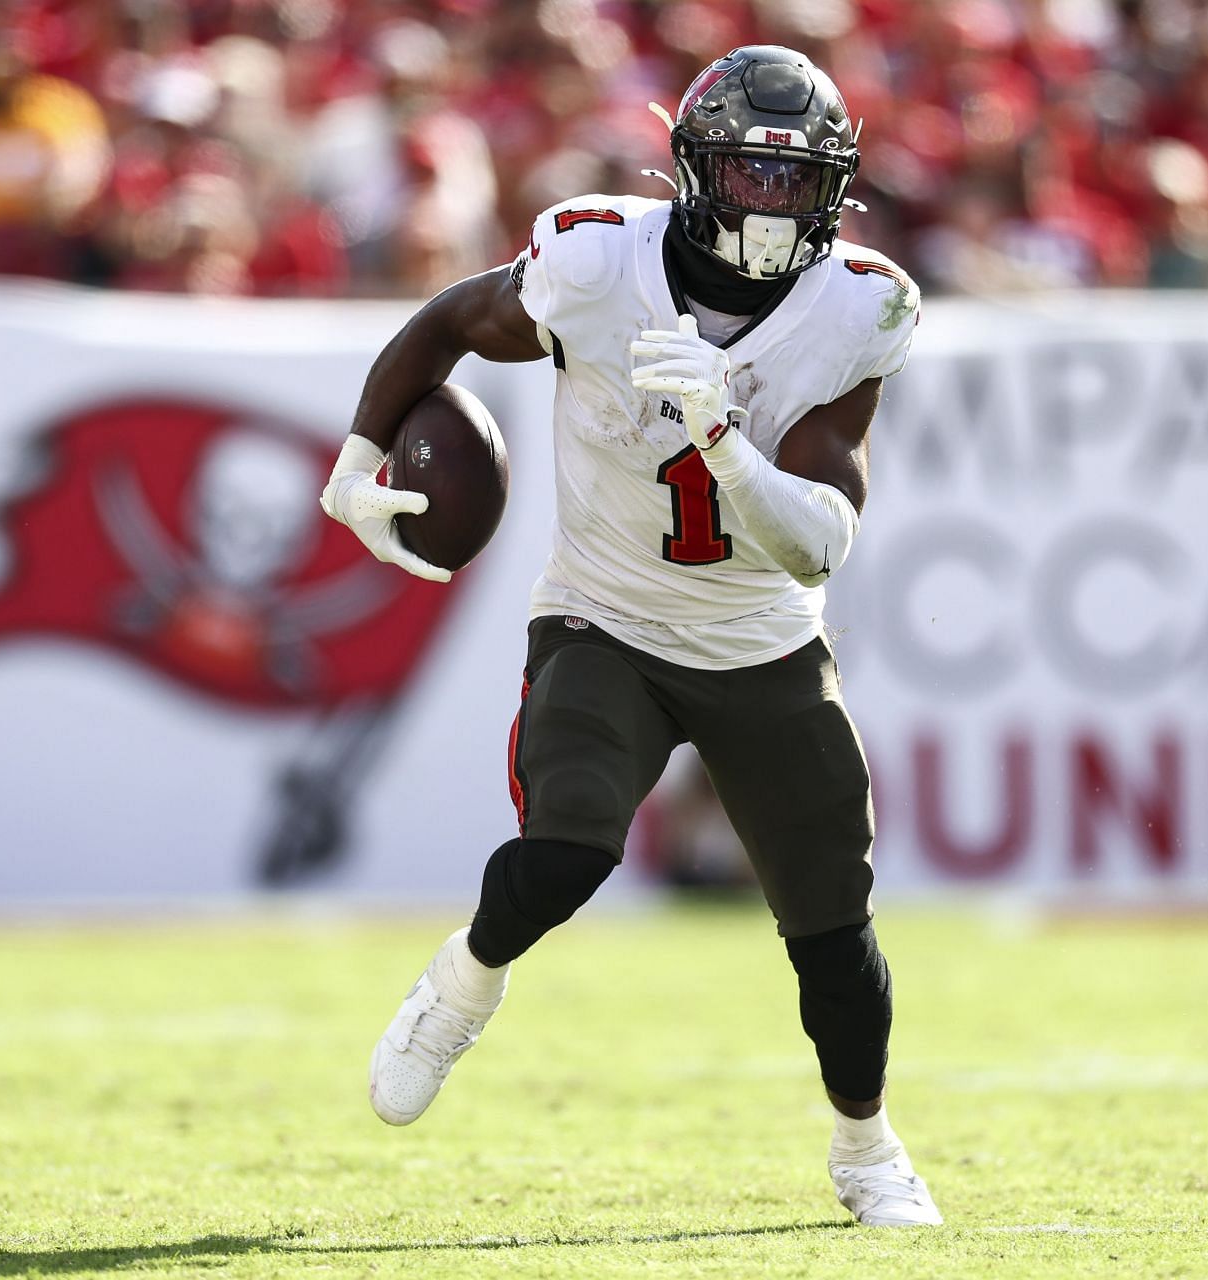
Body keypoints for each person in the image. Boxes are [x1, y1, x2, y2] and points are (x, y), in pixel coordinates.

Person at [318, 45, 938, 1228]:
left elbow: (816, 540)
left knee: (831, 926)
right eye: (749, 172)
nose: (770, 202)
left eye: (796, 178)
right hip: (603, 610)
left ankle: (865, 1145)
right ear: (695, 170)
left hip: (759, 633)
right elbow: (452, 318)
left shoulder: (863, 302)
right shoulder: (595, 259)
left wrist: (726, 441)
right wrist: (354, 465)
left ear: (836, 187)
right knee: (569, 845)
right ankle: (463, 982)